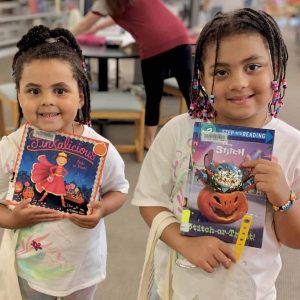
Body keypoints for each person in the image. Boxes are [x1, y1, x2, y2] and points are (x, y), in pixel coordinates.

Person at [132, 8, 300, 300]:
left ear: (275, 67)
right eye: (221, 72)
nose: (238, 82)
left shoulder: (292, 145)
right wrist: (185, 244)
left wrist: (282, 197)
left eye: (252, 67)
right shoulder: (177, 132)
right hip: (176, 288)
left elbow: (294, 239)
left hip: (250, 292)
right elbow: (149, 201)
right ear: (202, 78)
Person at [0, 25, 129, 299]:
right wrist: (11, 219)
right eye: (34, 91)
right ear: (19, 95)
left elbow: (119, 190)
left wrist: (102, 209)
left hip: (82, 268)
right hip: (29, 269)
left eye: (60, 90)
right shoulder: (10, 148)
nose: (47, 101)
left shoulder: (99, 148)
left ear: (80, 96)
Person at [71, 0, 193, 149]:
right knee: (189, 90)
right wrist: (97, 27)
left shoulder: (106, 2)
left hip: (153, 45)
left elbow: (84, 24)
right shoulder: (112, 4)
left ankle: (149, 143)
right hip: (179, 35)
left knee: (154, 96)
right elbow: (116, 15)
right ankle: (205, 135)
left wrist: (61, 35)